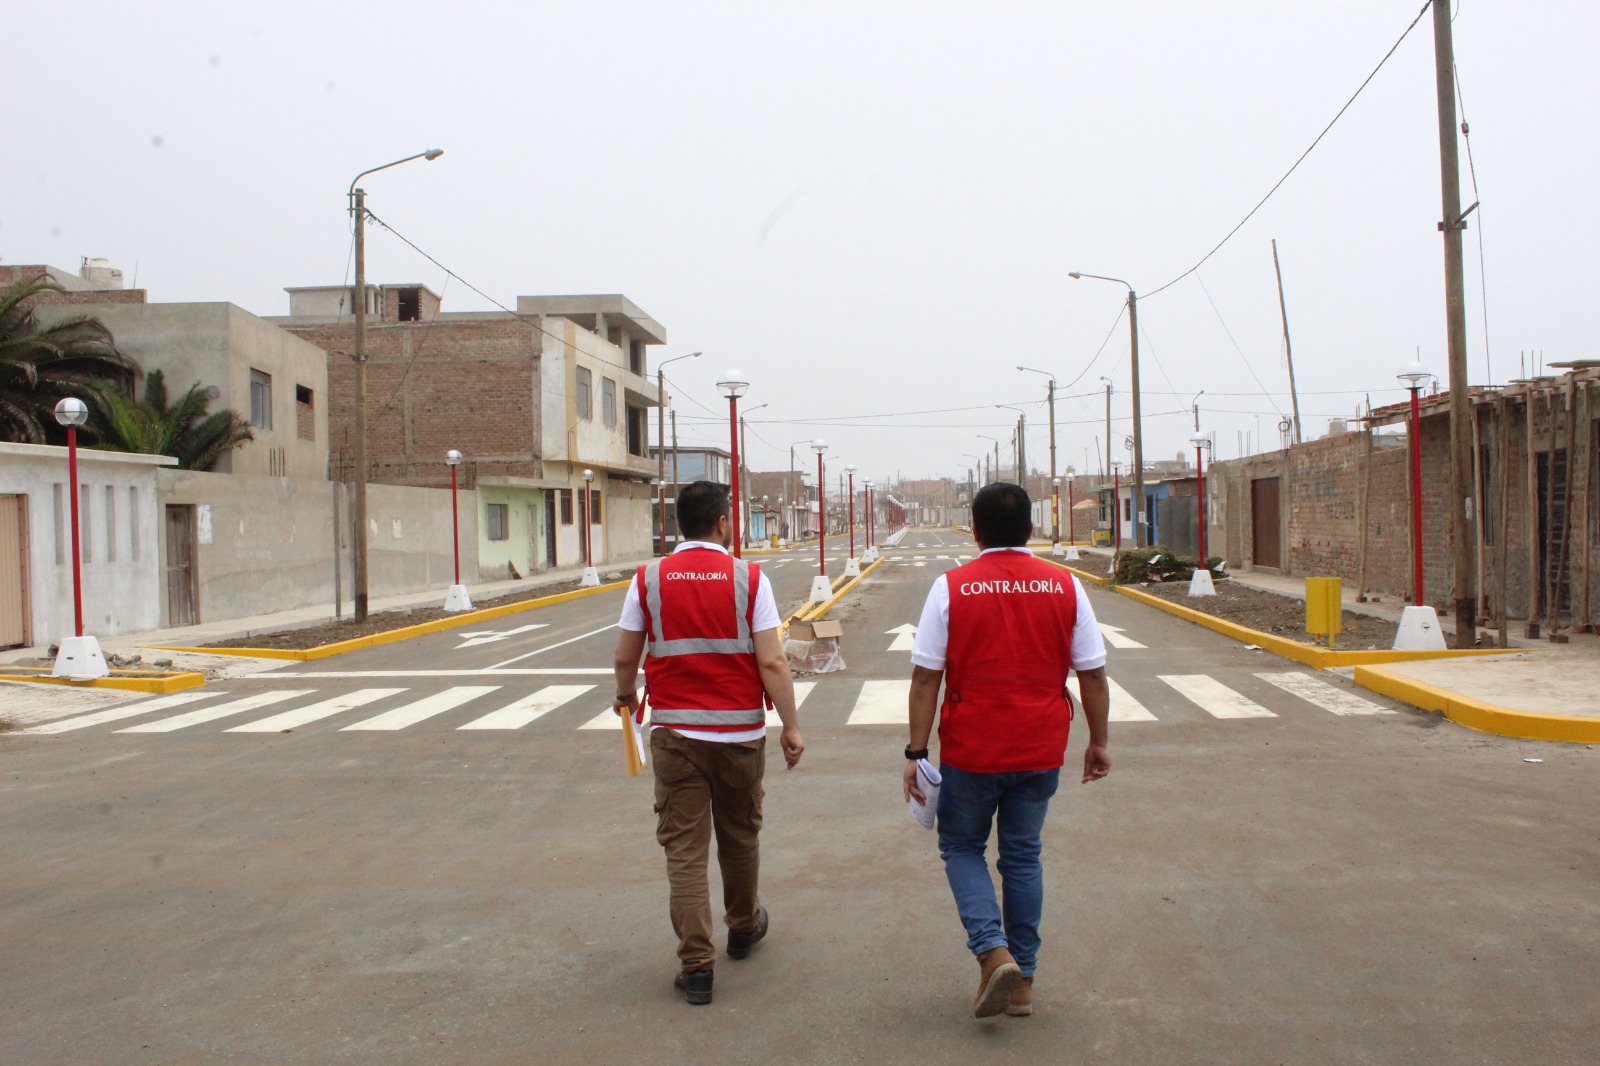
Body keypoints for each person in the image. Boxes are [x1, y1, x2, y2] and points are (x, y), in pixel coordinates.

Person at [902, 481, 1111, 1019]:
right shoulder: (1065, 585)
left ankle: (993, 953)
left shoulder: (952, 587)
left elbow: (926, 677)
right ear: (1031, 529)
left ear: (974, 531)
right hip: (1041, 748)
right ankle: (1023, 982)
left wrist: (915, 754)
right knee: (1022, 855)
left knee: (962, 847)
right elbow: (1092, 674)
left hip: (972, 750)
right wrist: (1099, 742)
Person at [613, 479, 805, 1006]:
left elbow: (626, 656)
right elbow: (772, 661)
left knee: (685, 850)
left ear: (679, 525)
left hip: (675, 735)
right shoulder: (748, 579)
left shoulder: (649, 579)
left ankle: (697, 967)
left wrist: (626, 697)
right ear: (723, 523)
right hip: (740, 734)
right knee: (740, 835)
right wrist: (789, 726)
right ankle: (743, 928)